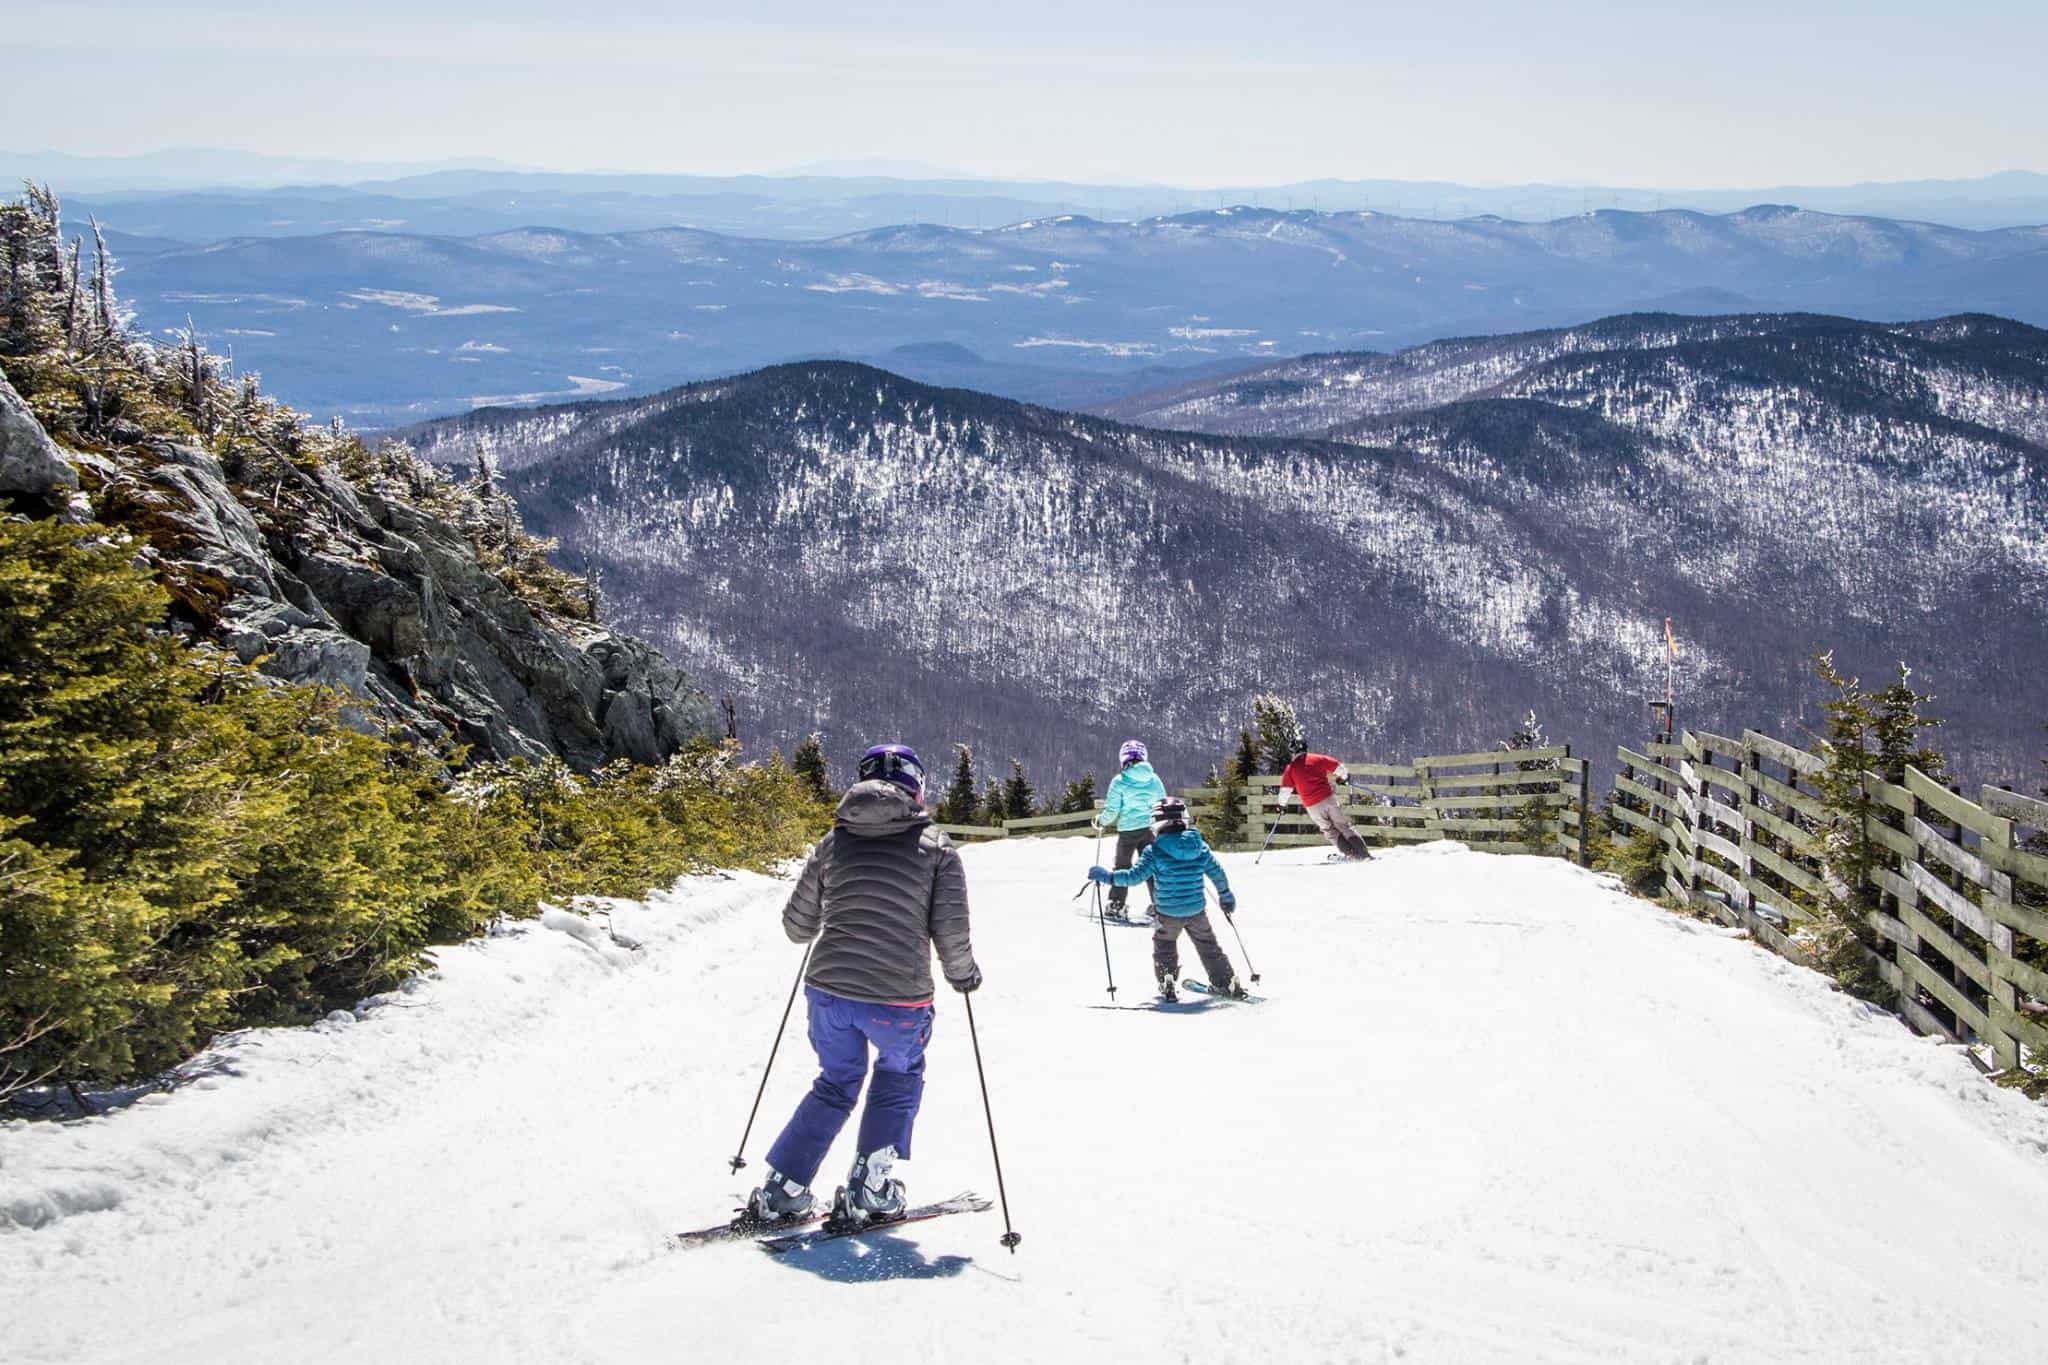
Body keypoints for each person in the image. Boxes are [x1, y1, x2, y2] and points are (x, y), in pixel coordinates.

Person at [746, 743, 981, 1227]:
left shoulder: (834, 843)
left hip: (828, 992)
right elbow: (950, 932)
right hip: (899, 999)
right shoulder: (936, 847)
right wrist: (963, 975)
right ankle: (871, 1188)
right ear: (916, 785)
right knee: (898, 1076)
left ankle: (784, 1188)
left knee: (835, 1083)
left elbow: (797, 928)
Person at [1086, 797, 1242, 1000]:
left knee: (1164, 946)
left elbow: (1134, 876)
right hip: (1197, 911)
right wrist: (1225, 894)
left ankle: (1167, 979)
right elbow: (1216, 873)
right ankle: (1225, 981)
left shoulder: (1155, 851)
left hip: (1168, 913)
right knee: (1208, 946)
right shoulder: (1200, 847)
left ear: (1157, 822)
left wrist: (1109, 877)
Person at [1094, 739, 1169, 922]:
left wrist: (1100, 821)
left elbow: (1112, 810)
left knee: (1122, 867)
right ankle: (1161, 907)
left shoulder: (1120, 781)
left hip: (1128, 831)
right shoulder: (1154, 779)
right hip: (1149, 830)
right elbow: (1162, 804)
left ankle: (1117, 905)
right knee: (1152, 867)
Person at [1279, 737, 1372, 860]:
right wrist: (1342, 778)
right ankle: (1364, 855)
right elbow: (1339, 768)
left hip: (1312, 806)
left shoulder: (1290, 769)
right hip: (1328, 799)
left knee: (1330, 831)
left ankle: (1352, 855)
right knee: (1344, 826)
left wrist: (1281, 806)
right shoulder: (1317, 759)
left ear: (1292, 751)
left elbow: (1285, 790)